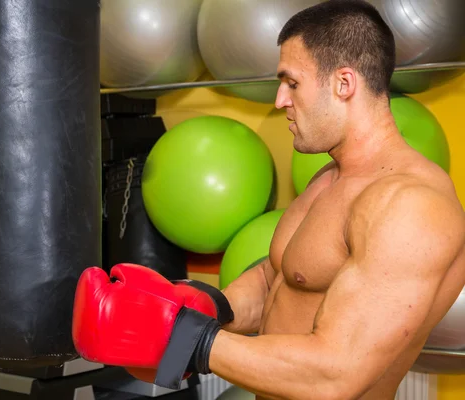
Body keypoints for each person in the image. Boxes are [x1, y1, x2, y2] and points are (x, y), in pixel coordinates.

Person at [72, 1, 465, 399]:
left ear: (344, 84)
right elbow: (276, 277)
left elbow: (336, 374)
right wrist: (203, 307)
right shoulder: (330, 178)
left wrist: (185, 336)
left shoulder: (410, 205)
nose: (279, 100)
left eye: (292, 83)